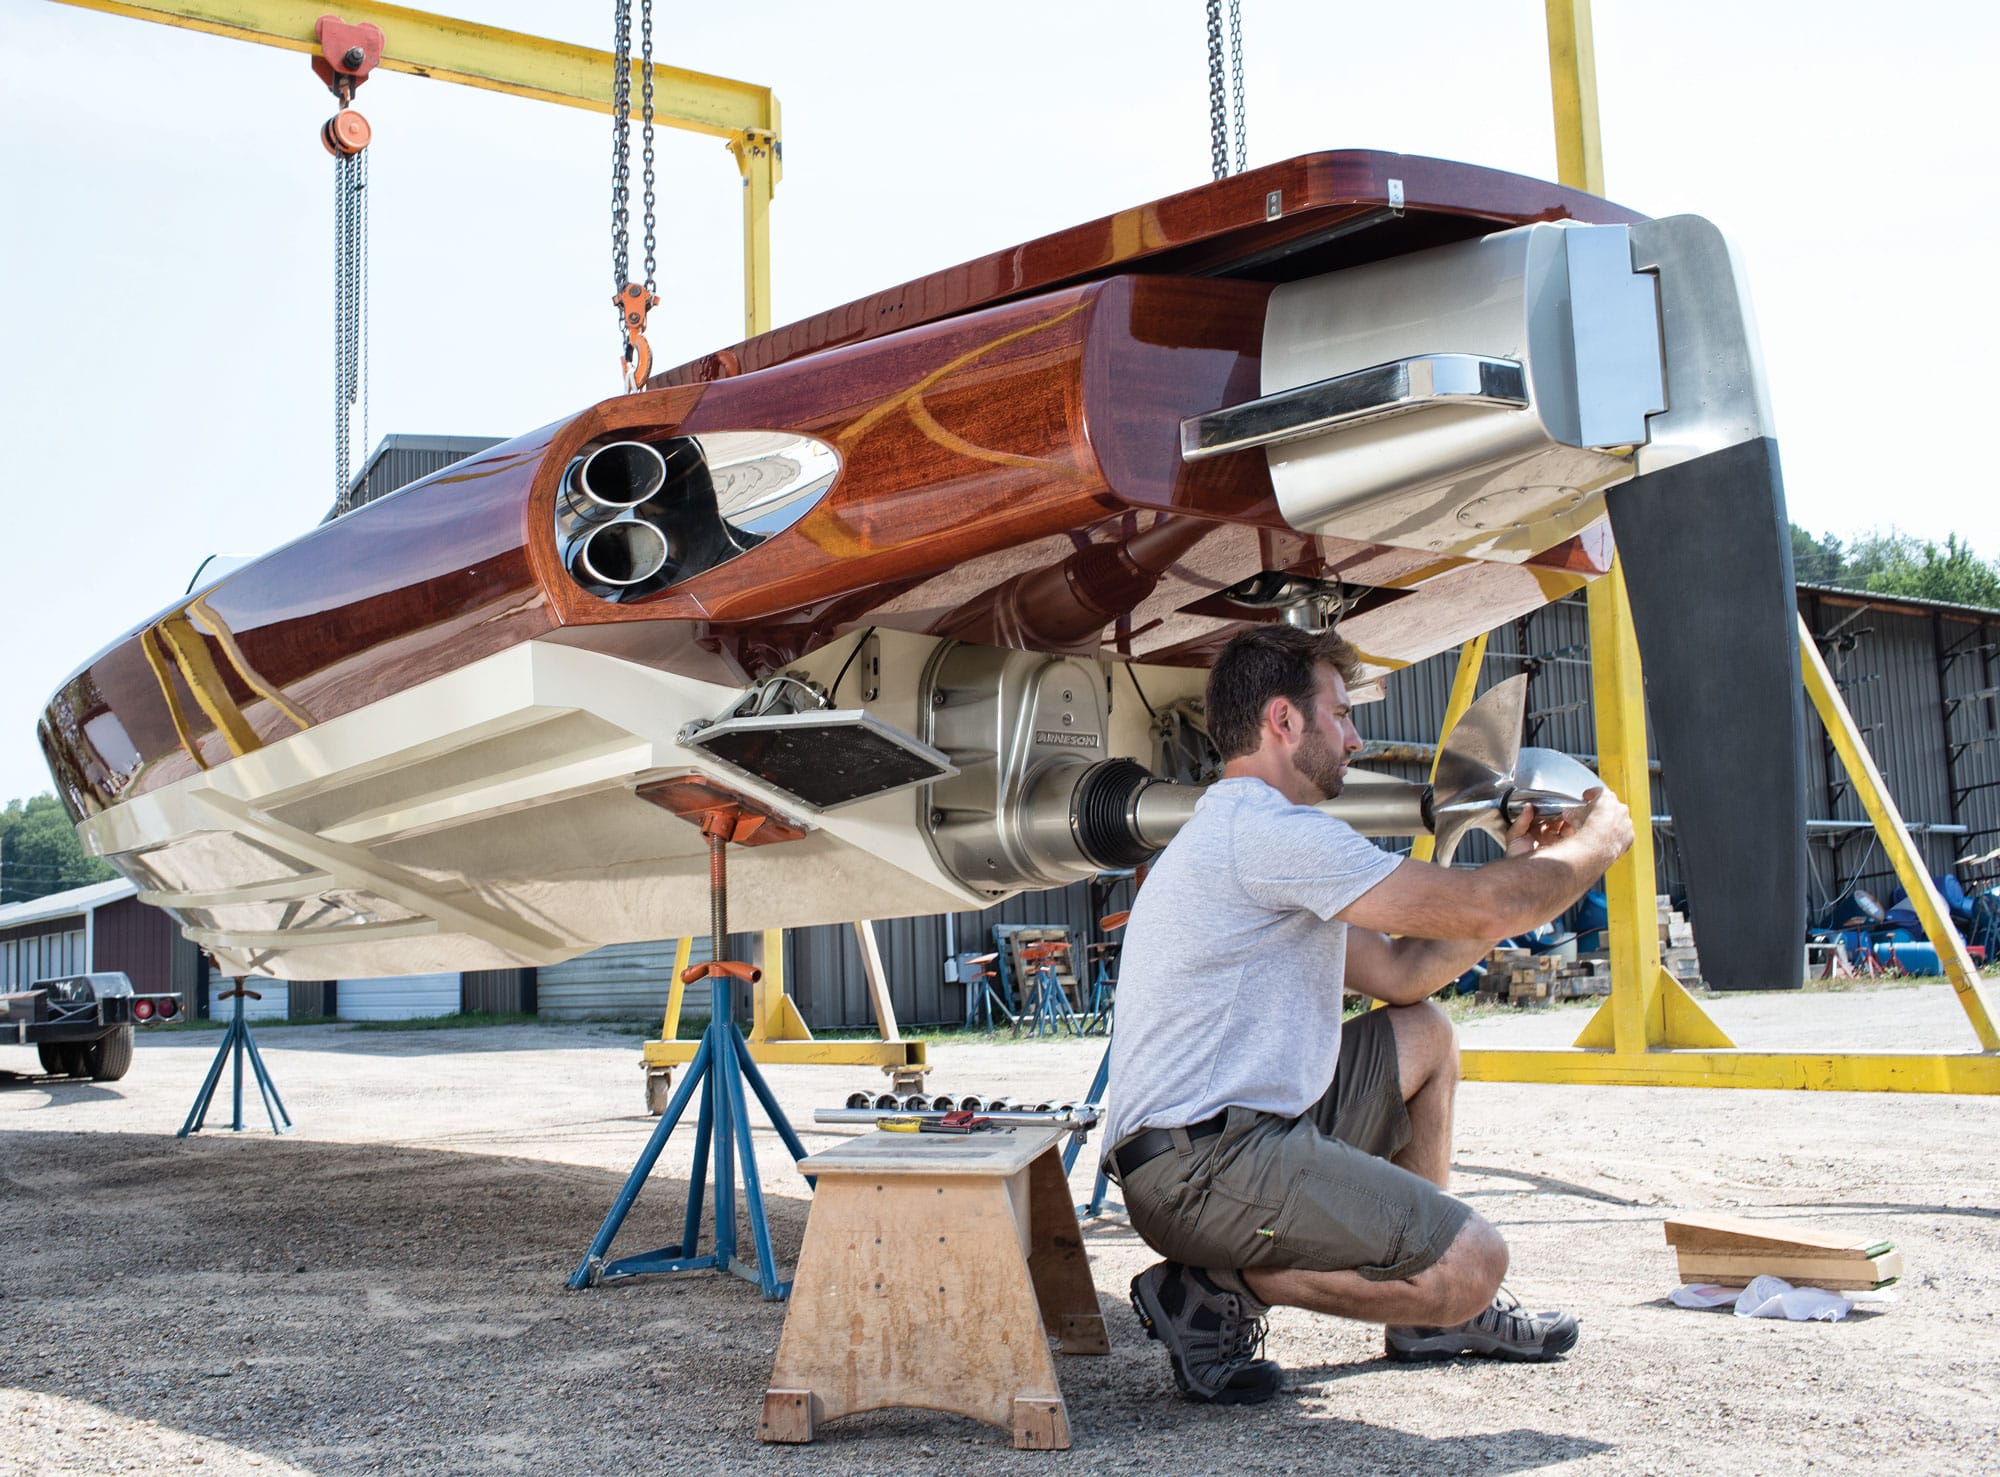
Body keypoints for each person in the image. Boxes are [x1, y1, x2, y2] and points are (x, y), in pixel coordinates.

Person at [1104, 624, 1635, 1405]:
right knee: (1471, 1265)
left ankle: (1426, 1322)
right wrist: (1595, 844)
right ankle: (1216, 1283)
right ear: (1284, 721)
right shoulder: (1267, 831)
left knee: (1424, 1034)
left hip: (1229, 1139)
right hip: (1202, 1168)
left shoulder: (1247, 834)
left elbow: (1400, 972)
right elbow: (1486, 913)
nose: (1356, 738)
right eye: (1342, 714)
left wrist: (1524, 870)